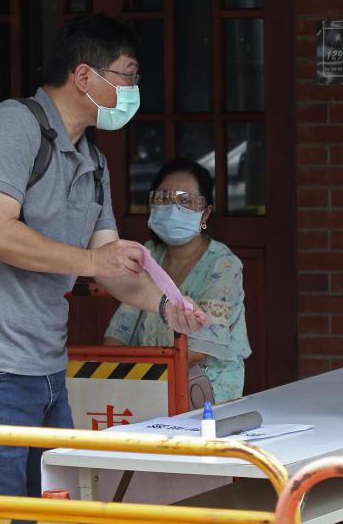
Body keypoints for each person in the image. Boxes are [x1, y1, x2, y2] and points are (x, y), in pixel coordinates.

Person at [0, 14, 209, 497]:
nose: (135, 89)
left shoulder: (93, 161)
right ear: (84, 77)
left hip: (45, 369)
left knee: (50, 511)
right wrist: (95, 263)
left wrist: (166, 304)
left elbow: (110, 261)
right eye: (128, 74)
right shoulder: (12, 124)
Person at [104, 158, 250, 402]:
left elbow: (196, 352)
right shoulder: (148, 255)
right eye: (163, 199)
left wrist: (137, 372)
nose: (172, 208)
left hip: (204, 396)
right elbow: (119, 332)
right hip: (145, 388)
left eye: (185, 201)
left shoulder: (224, 264)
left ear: (206, 213)